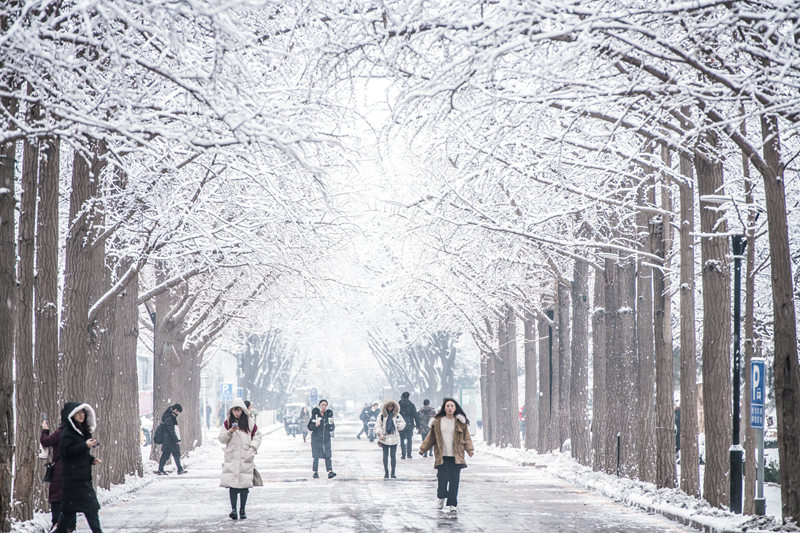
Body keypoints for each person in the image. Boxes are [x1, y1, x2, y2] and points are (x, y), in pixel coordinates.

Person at [418, 398, 475, 513]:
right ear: (444, 408)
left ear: (455, 408)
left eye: (452, 406)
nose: (450, 408)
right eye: (447, 406)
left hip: (456, 456)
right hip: (442, 456)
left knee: (454, 480)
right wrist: (423, 449)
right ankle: (441, 496)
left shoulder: (460, 422)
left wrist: (470, 450)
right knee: (442, 479)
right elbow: (431, 437)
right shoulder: (438, 421)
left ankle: (452, 503)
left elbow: (466, 437)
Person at [53, 402, 103, 533]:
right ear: (71, 416)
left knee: (77, 512)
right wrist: (85, 445)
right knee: (84, 510)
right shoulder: (67, 433)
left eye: (82, 413)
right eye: (78, 414)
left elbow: (81, 454)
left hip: (82, 478)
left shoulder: (82, 432)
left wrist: (92, 460)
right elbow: (66, 452)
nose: (81, 416)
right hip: (73, 479)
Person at [219, 398, 262, 520]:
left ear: (242, 410)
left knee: (244, 487)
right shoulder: (227, 423)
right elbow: (222, 439)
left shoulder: (249, 422)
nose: (236, 413)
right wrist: (230, 432)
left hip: (245, 457)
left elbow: (258, 436)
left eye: (238, 410)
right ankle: (233, 510)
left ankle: (242, 509)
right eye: (234, 410)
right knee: (232, 486)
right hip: (232, 457)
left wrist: (252, 449)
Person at [40, 406, 76, 533]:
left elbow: (45, 441)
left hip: (60, 469)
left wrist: (45, 430)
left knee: (56, 497)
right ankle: (71, 525)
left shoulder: (61, 431)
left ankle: (57, 523)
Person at [376, 399, 406, 479]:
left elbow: (403, 423)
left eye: (391, 406)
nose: (390, 408)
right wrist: (380, 433)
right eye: (388, 406)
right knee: (385, 456)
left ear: (394, 406)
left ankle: (393, 473)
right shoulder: (381, 415)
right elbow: (378, 425)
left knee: (393, 456)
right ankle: (386, 472)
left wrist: (397, 426)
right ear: (385, 406)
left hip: (394, 438)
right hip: (384, 438)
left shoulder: (397, 415)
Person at [307, 399, 336, 479]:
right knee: (316, 456)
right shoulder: (315, 416)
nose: (323, 407)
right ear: (319, 406)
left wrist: (331, 425)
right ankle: (315, 472)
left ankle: (330, 471)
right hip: (316, 439)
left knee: (328, 455)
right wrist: (316, 425)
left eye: (325, 405)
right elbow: (309, 427)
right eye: (322, 405)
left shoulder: (328, 416)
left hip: (326, 439)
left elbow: (332, 428)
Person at [157, 403, 187, 475]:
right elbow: (171, 430)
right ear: (175, 410)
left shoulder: (171, 416)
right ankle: (161, 470)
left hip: (170, 440)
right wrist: (176, 440)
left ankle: (179, 469)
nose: (178, 414)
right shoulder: (169, 418)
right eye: (178, 412)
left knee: (173, 454)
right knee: (167, 455)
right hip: (169, 440)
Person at [398, 391, 419, 459]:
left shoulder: (399, 404)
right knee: (409, 440)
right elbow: (415, 415)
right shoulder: (411, 404)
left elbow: (395, 414)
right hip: (409, 423)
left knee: (402, 439)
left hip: (401, 423)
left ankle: (403, 454)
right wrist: (417, 424)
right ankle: (409, 454)